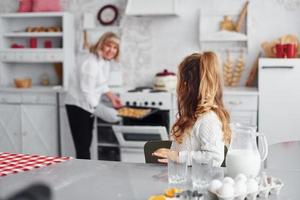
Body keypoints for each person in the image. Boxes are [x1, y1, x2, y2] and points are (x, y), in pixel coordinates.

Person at [153, 52, 231, 166]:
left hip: (197, 182)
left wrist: (178, 156)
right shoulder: (193, 116)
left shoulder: (208, 119)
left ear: (186, 85)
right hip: (184, 179)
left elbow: (215, 157)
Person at [65, 32, 122, 159]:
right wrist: (102, 110)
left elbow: (101, 83)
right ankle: (83, 176)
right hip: (78, 105)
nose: (111, 50)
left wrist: (112, 97)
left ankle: (85, 174)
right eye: (109, 45)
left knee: (86, 143)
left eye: (115, 47)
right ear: (101, 45)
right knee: (83, 147)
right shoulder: (90, 63)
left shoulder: (104, 62)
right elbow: (87, 91)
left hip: (87, 106)